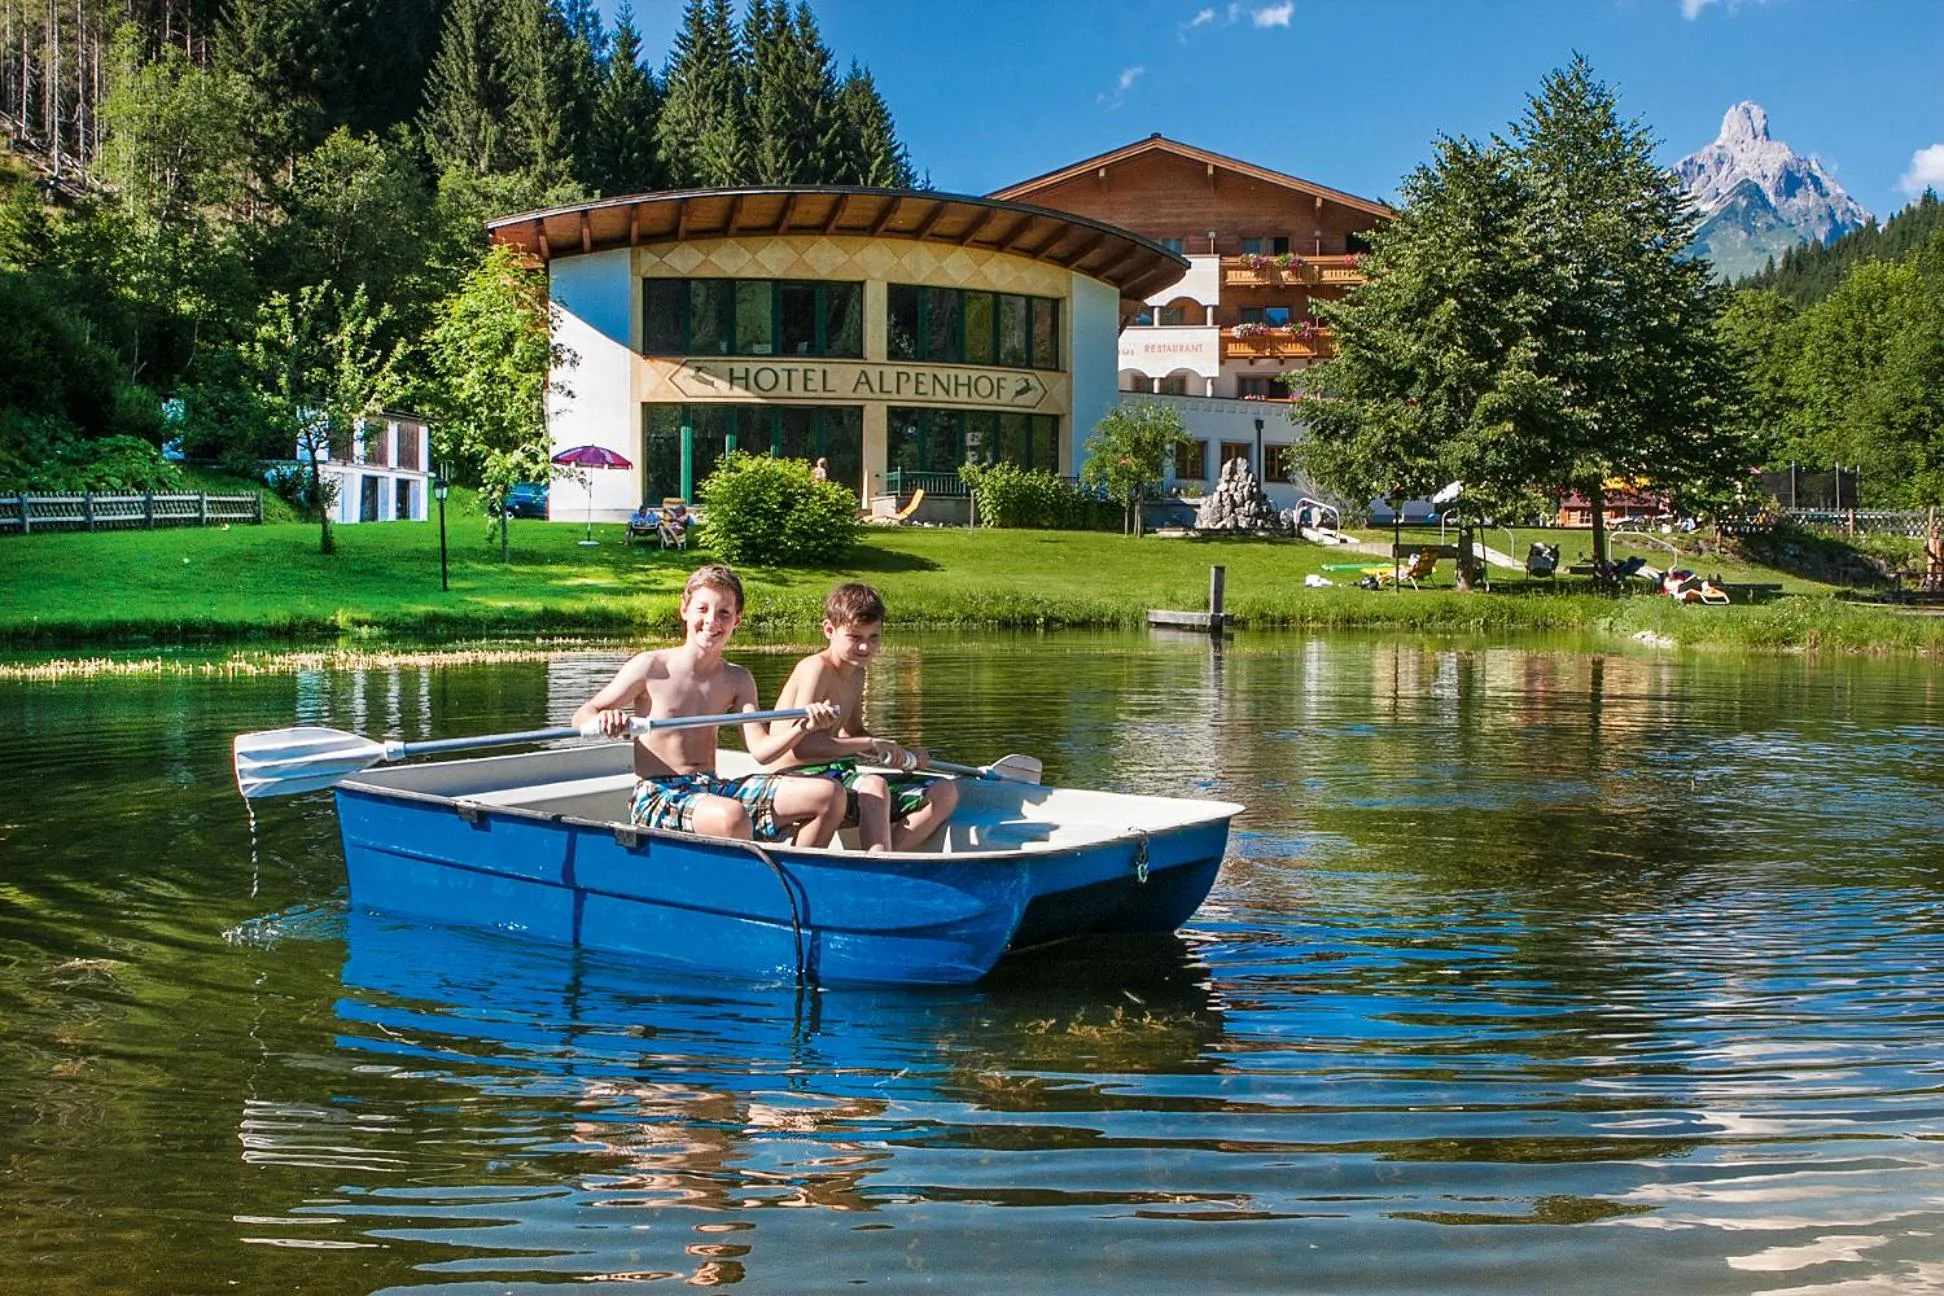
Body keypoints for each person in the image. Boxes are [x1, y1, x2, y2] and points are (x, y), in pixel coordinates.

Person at [573, 564, 846, 844]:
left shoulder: (737, 679)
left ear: (737, 620)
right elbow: (582, 716)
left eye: (724, 613)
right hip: (659, 795)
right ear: (685, 610)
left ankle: (792, 880)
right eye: (702, 609)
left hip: (711, 788)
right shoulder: (650, 666)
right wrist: (604, 720)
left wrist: (804, 726)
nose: (712, 621)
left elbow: (762, 752)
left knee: (830, 795)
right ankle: (747, 883)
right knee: (731, 816)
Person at [763, 583, 959, 853]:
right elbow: (802, 746)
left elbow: (851, 732)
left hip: (839, 774)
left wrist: (901, 754)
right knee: (874, 785)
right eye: (855, 637)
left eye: (874, 637)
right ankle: (877, 865)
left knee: (944, 792)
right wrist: (869, 743)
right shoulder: (815, 668)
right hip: (797, 779)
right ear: (829, 630)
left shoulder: (857, 672)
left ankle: (886, 862)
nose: (866, 647)